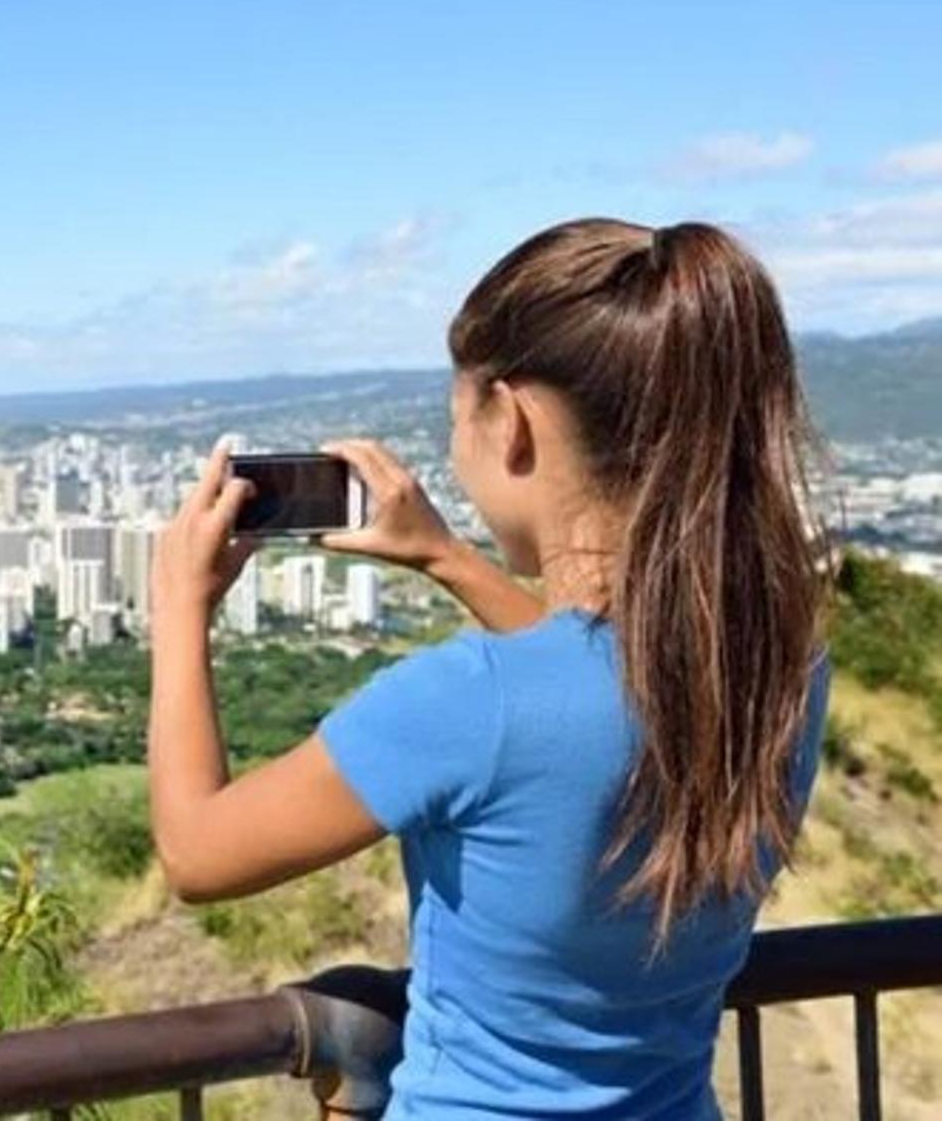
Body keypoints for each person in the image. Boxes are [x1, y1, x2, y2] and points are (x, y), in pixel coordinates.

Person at [148, 218, 830, 1118]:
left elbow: (198, 853)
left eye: (460, 411)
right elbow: (596, 687)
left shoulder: (467, 703)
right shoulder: (776, 674)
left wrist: (177, 612)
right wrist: (447, 558)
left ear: (513, 423)